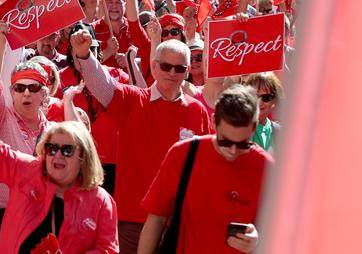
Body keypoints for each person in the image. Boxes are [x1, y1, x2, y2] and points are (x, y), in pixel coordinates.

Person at [71, 32, 211, 252]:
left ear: (187, 72)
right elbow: (102, 84)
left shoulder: (197, 110)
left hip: (178, 222)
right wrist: (84, 55)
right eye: (166, 66)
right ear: (154, 67)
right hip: (133, 219)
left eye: (180, 68)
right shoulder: (133, 100)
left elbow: (204, 165)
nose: (172, 73)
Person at [0, 86, 119, 253]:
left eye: (67, 150)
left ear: (84, 156)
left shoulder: (100, 201)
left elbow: (108, 249)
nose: (58, 155)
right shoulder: (28, 170)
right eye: (52, 148)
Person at [138, 84, 273, 254]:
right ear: (213, 122)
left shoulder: (268, 169)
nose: (232, 150)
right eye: (225, 141)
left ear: (253, 128)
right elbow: (156, 219)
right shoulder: (183, 154)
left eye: (242, 144)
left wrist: (259, 243)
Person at [0, 21, 81, 239]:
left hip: (41, 216)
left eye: (33, 87)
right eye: (19, 88)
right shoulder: (1, 118)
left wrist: (69, 102)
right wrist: (0, 46)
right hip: (3, 212)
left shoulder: (54, 131)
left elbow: (82, 146)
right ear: (12, 92)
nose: (26, 93)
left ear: (45, 94)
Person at [56, 23, 130, 195]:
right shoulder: (59, 79)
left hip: (114, 159)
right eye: (79, 48)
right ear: (71, 51)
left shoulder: (116, 75)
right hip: (78, 158)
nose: (85, 52)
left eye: (91, 48)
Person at [245, 72, 283, 152]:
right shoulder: (238, 130)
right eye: (255, 96)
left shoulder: (280, 132)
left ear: (274, 100)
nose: (260, 102)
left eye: (266, 97)